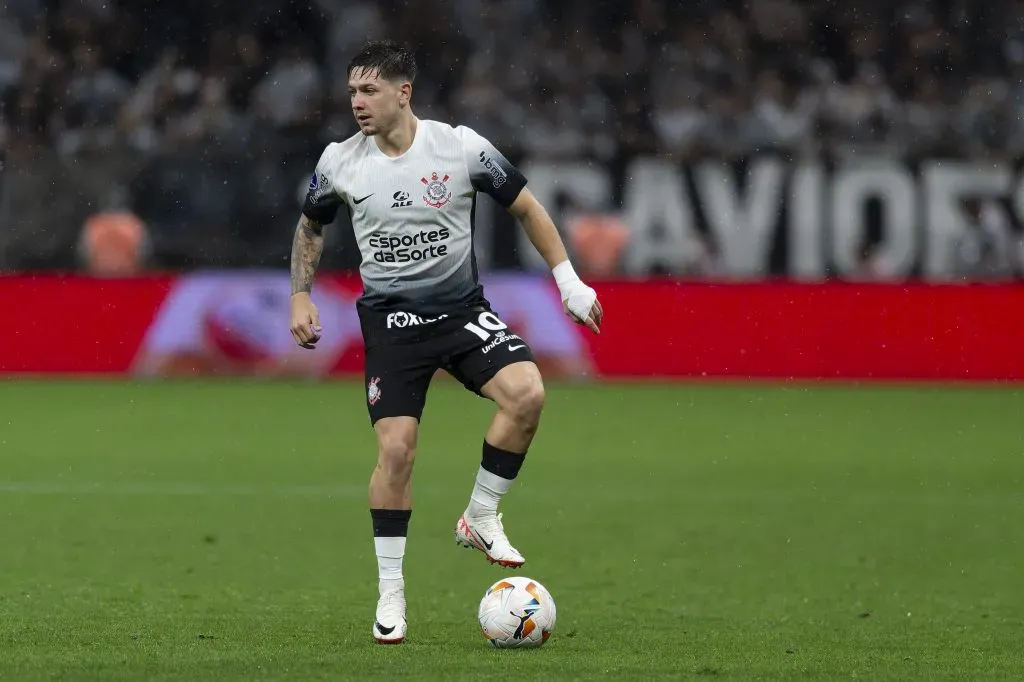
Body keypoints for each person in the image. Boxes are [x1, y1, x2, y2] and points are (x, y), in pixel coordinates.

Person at [287, 40, 603, 645]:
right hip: (391, 322)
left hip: (460, 311)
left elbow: (528, 209)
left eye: (370, 90)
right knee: (399, 451)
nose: (358, 102)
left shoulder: (461, 148)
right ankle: (391, 592)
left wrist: (568, 281)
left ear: (403, 93)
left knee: (528, 394)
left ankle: (481, 514)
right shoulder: (339, 161)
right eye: (352, 90)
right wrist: (300, 295)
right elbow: (311, 226)